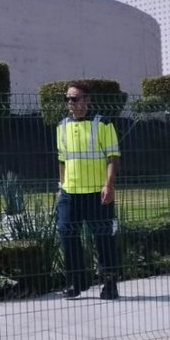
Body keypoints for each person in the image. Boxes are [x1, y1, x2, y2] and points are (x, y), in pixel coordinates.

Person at [56, 81, 121, 300]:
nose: (70, 103)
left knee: (103, 238)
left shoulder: (102, 123)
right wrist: (60, 187)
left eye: (74, 98)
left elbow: (113, 157)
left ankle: (109, 284)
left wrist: (109, 186)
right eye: (68, 99)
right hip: (70, 194)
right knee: (67, 234)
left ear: (87, 100)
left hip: (97, 194)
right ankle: (77, 281)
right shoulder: (61, 126)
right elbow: (62, 160)